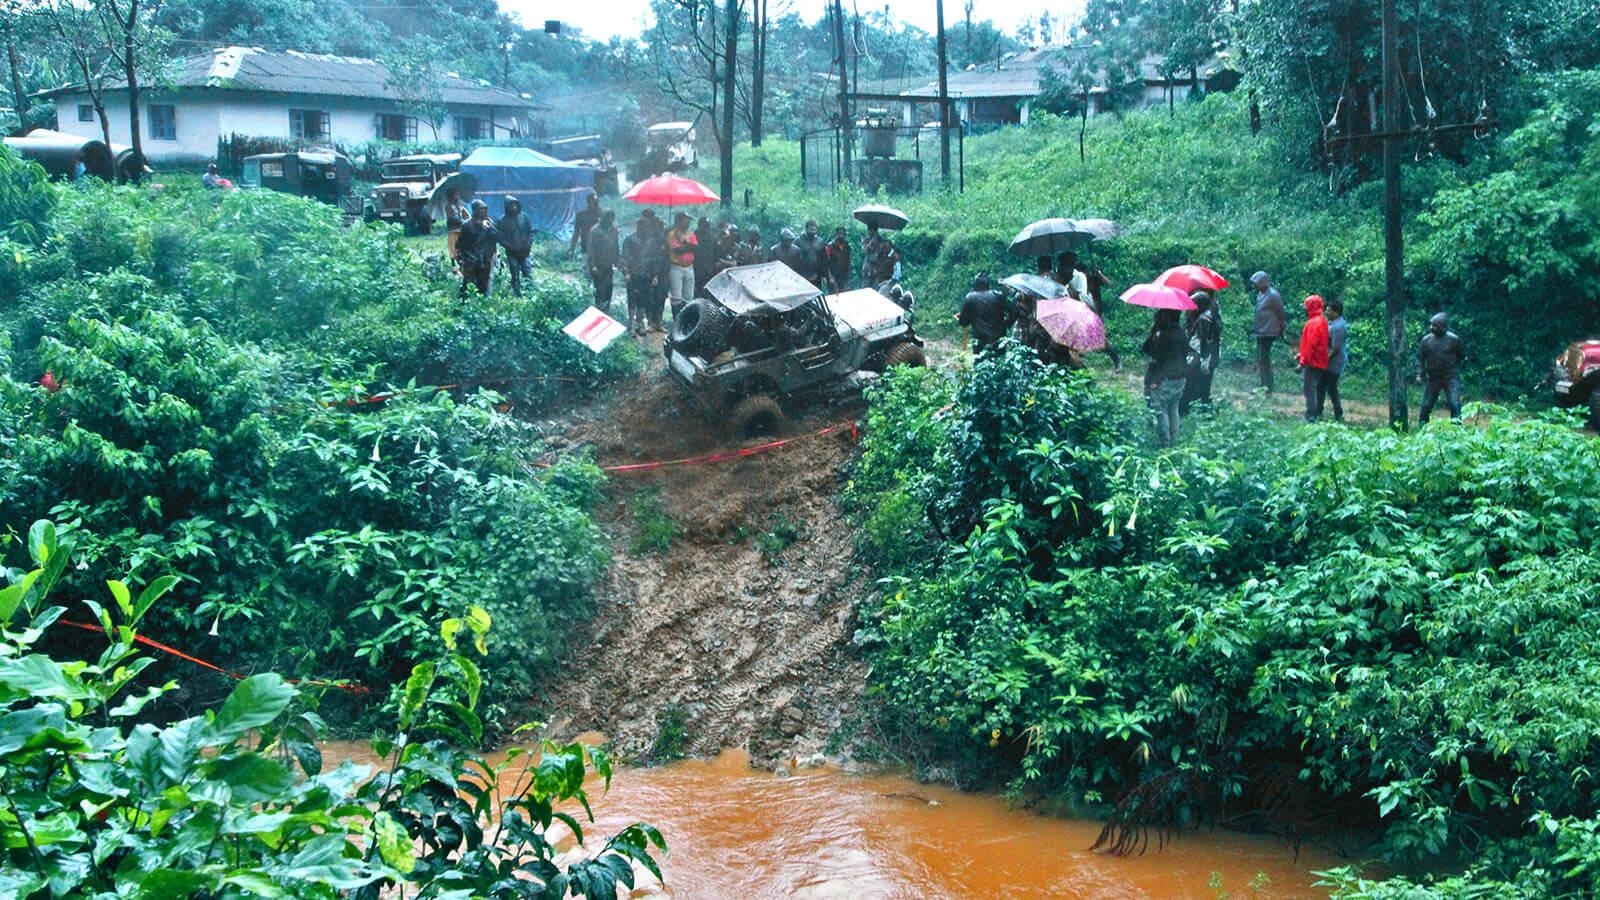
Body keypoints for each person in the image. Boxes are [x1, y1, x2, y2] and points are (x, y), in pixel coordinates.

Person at [1142, 308, 1190, 447]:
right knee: (1173, 409)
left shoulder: (1163, 336)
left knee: (1161, 411)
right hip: (1180, 377)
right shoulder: (1181, 333)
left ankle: (1165, 444)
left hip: (1164, 378)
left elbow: (1149, 351)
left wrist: (1153, 331)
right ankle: (1175, 441)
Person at [1417, 311, 1466, 424]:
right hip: (1433, 378)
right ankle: (1422, 429)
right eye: (1431, 325)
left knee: (1455, 404)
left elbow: (1461, 355)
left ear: (1443, 327)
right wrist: (1419, 373)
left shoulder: (1454, 339)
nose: (1431, 327)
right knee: (1426, 405)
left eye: (1435, 325)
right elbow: (1420, 358)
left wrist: (1453, 367)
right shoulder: (1426, 340)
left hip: (1450, 377)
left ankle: (1457, 430)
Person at [1181, 291, 1221, 414]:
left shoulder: (1204, 319)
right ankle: (1204, 410)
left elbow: (1205, 342)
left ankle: (1199, 410)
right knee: (1204, 386)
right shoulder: (1211, 315)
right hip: (1209, 356)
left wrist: (1204, 361)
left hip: (1203, 356)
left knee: (1196, 384)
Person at [958, 272, 1014, 354]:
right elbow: (1015, 311)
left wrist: (969, 316)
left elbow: (963, 322)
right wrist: (1007, 324)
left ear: (975, 285)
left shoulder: (970, 298)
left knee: (981, 364)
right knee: (999, 364)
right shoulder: (998, 295)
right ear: (988, 285)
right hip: (998, 339)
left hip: (980, 340)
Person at [621, 215, 658, 336]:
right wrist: (626, 272)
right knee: (632, 300)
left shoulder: (651, 241)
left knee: (643, 301)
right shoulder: (630, 240)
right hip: (633, 274)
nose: (646, 230)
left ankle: (639, 323)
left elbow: (653, 259)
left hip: (646, 275)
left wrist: (655, 275)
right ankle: (631, 324)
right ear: (638, 227)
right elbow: (624, 258)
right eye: (643, 227)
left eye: (647, 227)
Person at [1250, 271, 1287, 392]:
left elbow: (1281, 313)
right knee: (1261, 359)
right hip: (1261, 330)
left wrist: (1281, 328)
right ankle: (1264, 385)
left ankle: (1267, 387)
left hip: (1269, 331)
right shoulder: (1260, 294)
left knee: (1264, 359)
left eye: (1256, 283)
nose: (1254, 286)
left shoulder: (1273, 295)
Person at [1297, 294, 1331, 421]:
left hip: (1313, 362)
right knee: (1314, 388)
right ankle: (1315, 413)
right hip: (1319, 360)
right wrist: (1301, 354)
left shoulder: (1313, 323)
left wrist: (1302, 362)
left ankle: (1311, 415)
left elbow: (1311, 345)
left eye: (1306, 306)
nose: (1305, 309)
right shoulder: (1321, 321)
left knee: (1309, 389)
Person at [456, 199, 497, 299]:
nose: (482, 212)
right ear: (475, 210)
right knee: (468, 282)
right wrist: (461, 257)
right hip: (470, 258)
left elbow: (495, 238)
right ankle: (464, 303)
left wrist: (490, 228)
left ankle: (482, 303)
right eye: (480, 209)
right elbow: (460, 243)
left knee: (483, 282)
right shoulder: (467, 225)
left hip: (485, 258)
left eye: (484, 209)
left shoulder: (489, 223)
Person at [496, 196, 534, 298]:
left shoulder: (524, 217)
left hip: (525, 251)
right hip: (512, 253)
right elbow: (500, 237)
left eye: (515, 204)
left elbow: (530, 231)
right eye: (511, 205)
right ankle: (517, 295)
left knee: (528, 273)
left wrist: (529, 242)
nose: (513, 207)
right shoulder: (502, 221)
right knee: (515, 275)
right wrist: (510, 246)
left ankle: (531, 294)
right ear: (506, 206)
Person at [586, 210, 621, 312]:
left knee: (609, 286)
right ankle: (599, 308)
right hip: (598, 265)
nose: (610, 220)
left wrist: (617, 260)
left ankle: (607, 309)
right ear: (602, 218)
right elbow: (591, 249)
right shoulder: (595, 231)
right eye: (608, 218)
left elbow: (616, 246)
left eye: (611, 218)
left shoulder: (613, 230)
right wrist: (592, 265)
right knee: (599, 288)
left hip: (608, 264)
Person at [666, 211, 697, 317]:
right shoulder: (672, 234)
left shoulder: (691, 234)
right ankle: (677, 320)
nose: (688, 223)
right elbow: (677, 251)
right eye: (685, 221)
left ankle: (686, 319)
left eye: (688, 221)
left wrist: (685, 244)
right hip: (676, 267)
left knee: (689, 296)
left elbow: (696, 248)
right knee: (676, 297)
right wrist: (688, 245)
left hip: (689, 267)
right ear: (679, 221)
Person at [1322, 298, 1348, 422]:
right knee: (1331, 388)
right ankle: (1338, 413)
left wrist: (1325, 360)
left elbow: (1335, 349)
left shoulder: (1338, 327)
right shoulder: (1333, 323)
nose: (1326, 312)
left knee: (1322, 386)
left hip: (1333, 363)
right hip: (1331, 361)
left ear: (1336, 312)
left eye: (1329, 311)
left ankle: (1318, 411)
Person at [567, 192, 601, 259]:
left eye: (597, 202)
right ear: (589, 202)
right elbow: (576, 233)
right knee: (586, 267)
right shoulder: (581, 215)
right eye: (594, 202)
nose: (596, 204)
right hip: (586, 248)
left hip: (600, 250)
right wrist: (571, 249)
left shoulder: (602, 215)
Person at [795, 219, 827, 287]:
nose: (813, 232)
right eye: (811, 230)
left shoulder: (820, 242)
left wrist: (824, 275)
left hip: (816, 275)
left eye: (814, 230)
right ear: (806, 229)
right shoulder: (798, 241)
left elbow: (824, 259)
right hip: (802, 275)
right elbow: (794, 258)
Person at [444, 189, 470, 269]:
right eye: (456, 194)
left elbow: (468, 216)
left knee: (461, 247)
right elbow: (452, 218)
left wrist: (466, 218)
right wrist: (461, 220)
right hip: (453, 230)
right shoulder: (448, 206)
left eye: (458, 194)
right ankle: (453, 265)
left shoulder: (460, 206)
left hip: (461, 230)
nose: (458, 196)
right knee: (453, 247)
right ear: (451, 196)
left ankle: (462, 262)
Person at [692, 217, 716, 296]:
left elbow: (715, 253)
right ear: (700, 225)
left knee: (707, 293)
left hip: (709, 270)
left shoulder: (712, 237)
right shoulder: (693, 237)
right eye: (705, 225)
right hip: (696, 269)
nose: (706, 228)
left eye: (707, 226)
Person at [824, 227, 852, 292]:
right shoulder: (829, 246)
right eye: (839, 234)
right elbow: (826, 263)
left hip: (844, 277)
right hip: (833, 277)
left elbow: (849, 260)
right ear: (836, 234)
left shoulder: (847, 246)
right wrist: (830, 277)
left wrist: (849, 274)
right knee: (835, 297)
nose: (841, 236)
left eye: (843, 234)